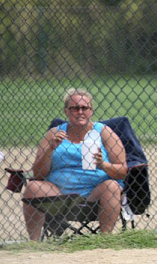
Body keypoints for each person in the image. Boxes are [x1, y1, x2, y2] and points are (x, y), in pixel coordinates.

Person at [23, 88, 127, 240]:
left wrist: (103, 164)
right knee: (33, 187)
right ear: (66, 111)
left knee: (112, 186)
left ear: (91, 111)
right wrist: (51, 148)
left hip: (93, 195)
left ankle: (105, 241)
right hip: (58, 196)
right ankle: (34, 243)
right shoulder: (54, 134)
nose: (80, 112)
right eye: (75, 108)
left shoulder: (104, 132)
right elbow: (38, 174)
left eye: (84, 108)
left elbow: (122, 170)